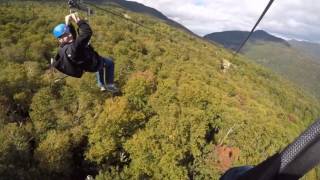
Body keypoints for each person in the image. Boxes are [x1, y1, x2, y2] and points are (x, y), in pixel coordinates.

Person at [52, 13, 119, 93]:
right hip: (94, 63)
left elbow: (72, 36)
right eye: (65, 35)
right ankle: (109, 84)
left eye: (68, 33)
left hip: (87, 65)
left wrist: (68, 23)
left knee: (101, 67)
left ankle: (101, 85)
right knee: (110, 63)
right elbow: (87, 33)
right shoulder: (74, 48)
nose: (69, 36)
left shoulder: (62, 48)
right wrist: (78, 20)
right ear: (60, 39)